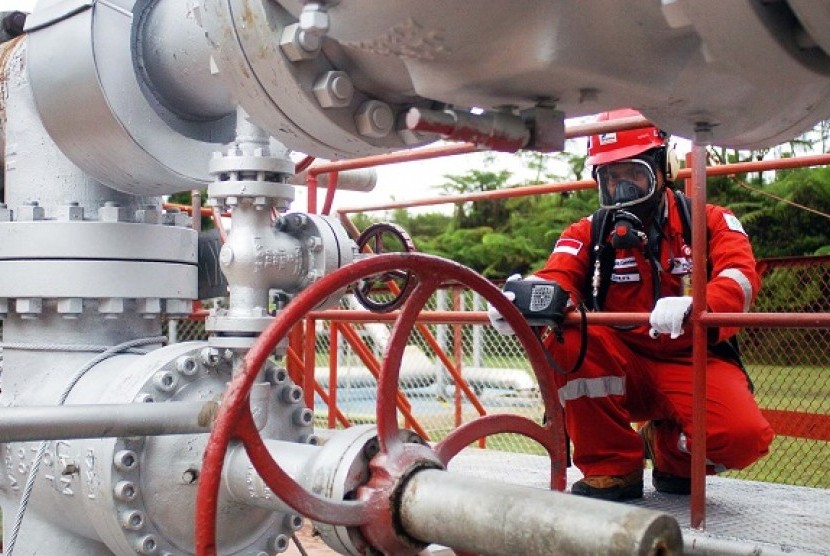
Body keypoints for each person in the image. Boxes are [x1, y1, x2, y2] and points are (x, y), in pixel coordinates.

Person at [488, 108, 774, 501]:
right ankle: (612, 467)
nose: (623, 191)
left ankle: (669, 451)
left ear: (663, 168)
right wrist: (520, 302)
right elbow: (559, 276)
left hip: (694, 358)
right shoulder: (587, 232)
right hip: (622, 361)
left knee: (744, 440)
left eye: (633, 175)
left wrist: (695, 307)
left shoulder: (711, 222)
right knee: (568, 335)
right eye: (611, 179)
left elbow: (740, 279)